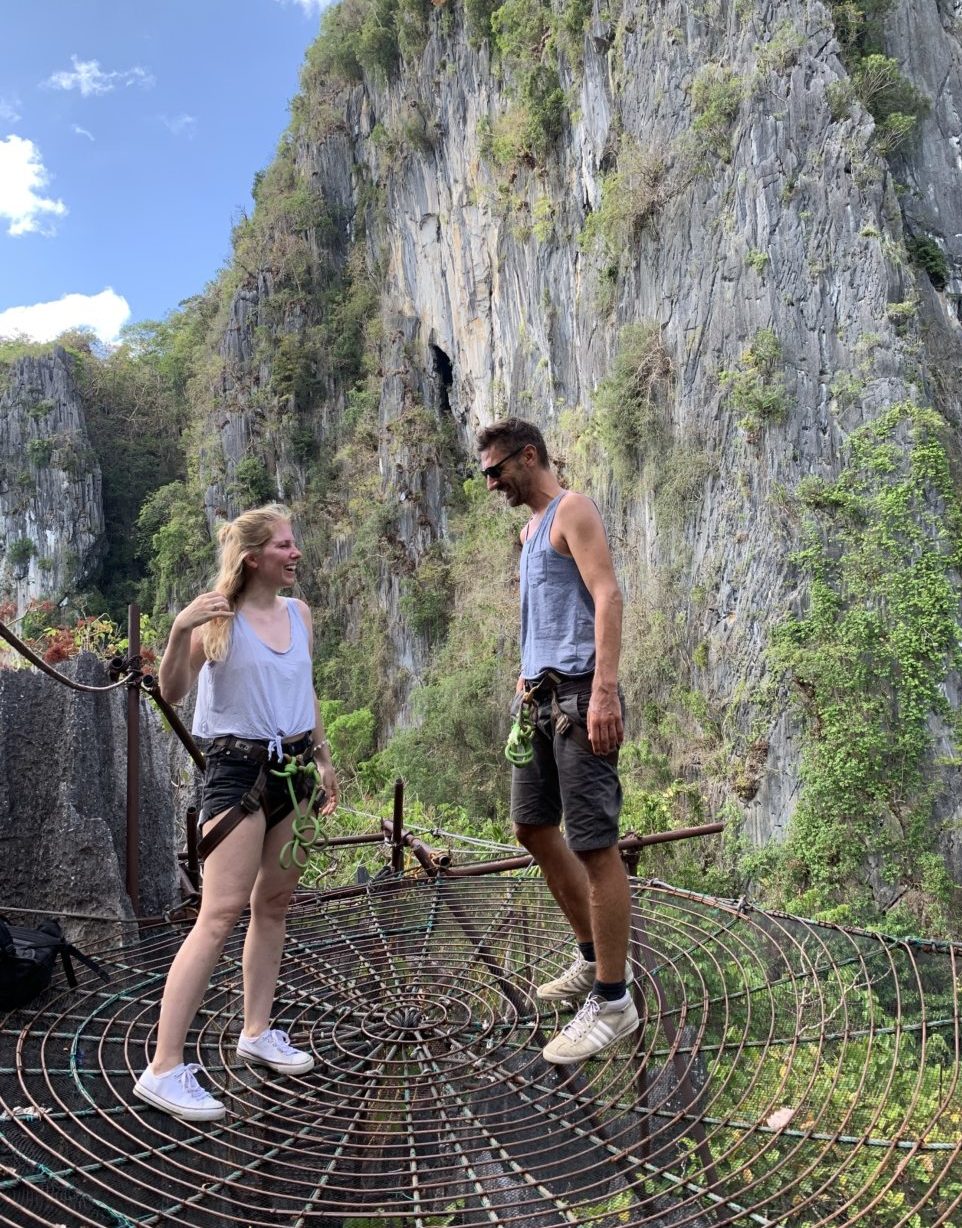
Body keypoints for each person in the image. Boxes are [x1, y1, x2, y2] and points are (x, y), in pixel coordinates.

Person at [134, 504, 338, 1121]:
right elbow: (170, 693)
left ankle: (256, 1031)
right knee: (219, 913)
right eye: (283, 545)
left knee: (272, 904)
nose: (294, 552)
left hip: (296, 770)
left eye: (293, 543)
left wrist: (325, 761)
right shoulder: (216, 621)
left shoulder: (299, 615)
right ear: (254, 557)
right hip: (236, 772)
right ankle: (164, 1067)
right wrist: (176, 632)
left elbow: (303, 693)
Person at [476, 418, 638, 1064]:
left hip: (578, 696)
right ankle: (591, 955)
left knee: (595, 844)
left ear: (529, 456)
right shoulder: (528, 532)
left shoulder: (574, 510)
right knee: (532, 828)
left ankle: (613, 1000)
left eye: (496, 471)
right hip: (540, 698)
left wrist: (604, 690)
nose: (491, 484)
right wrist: (523, 676)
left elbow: (607, 595)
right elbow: (543, 613)